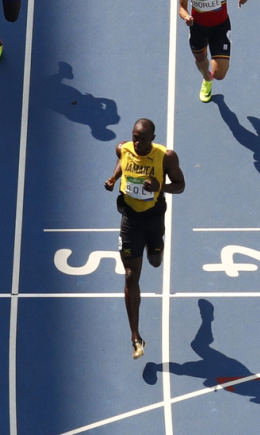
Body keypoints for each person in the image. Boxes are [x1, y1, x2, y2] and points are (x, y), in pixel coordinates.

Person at [104, 119, 185, 359]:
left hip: (153, 217)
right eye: (134, 137)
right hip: (130, 218)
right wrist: (113, 178)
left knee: (155, 261)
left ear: (152, 138)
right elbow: (122, 162)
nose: (136, 143)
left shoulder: (166, 157)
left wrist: (159, 187)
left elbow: (180, 185)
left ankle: (155, 248)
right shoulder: (123, 148)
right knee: (130, 275)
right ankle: (136, 336)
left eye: (141, 139)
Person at [178, 0, 249, 102]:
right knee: (201, 60)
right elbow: (181, 8)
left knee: (220, 74)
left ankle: (212, 77)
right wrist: (186, 16)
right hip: (198, 29)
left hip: (220, 28)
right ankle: (206, 80)